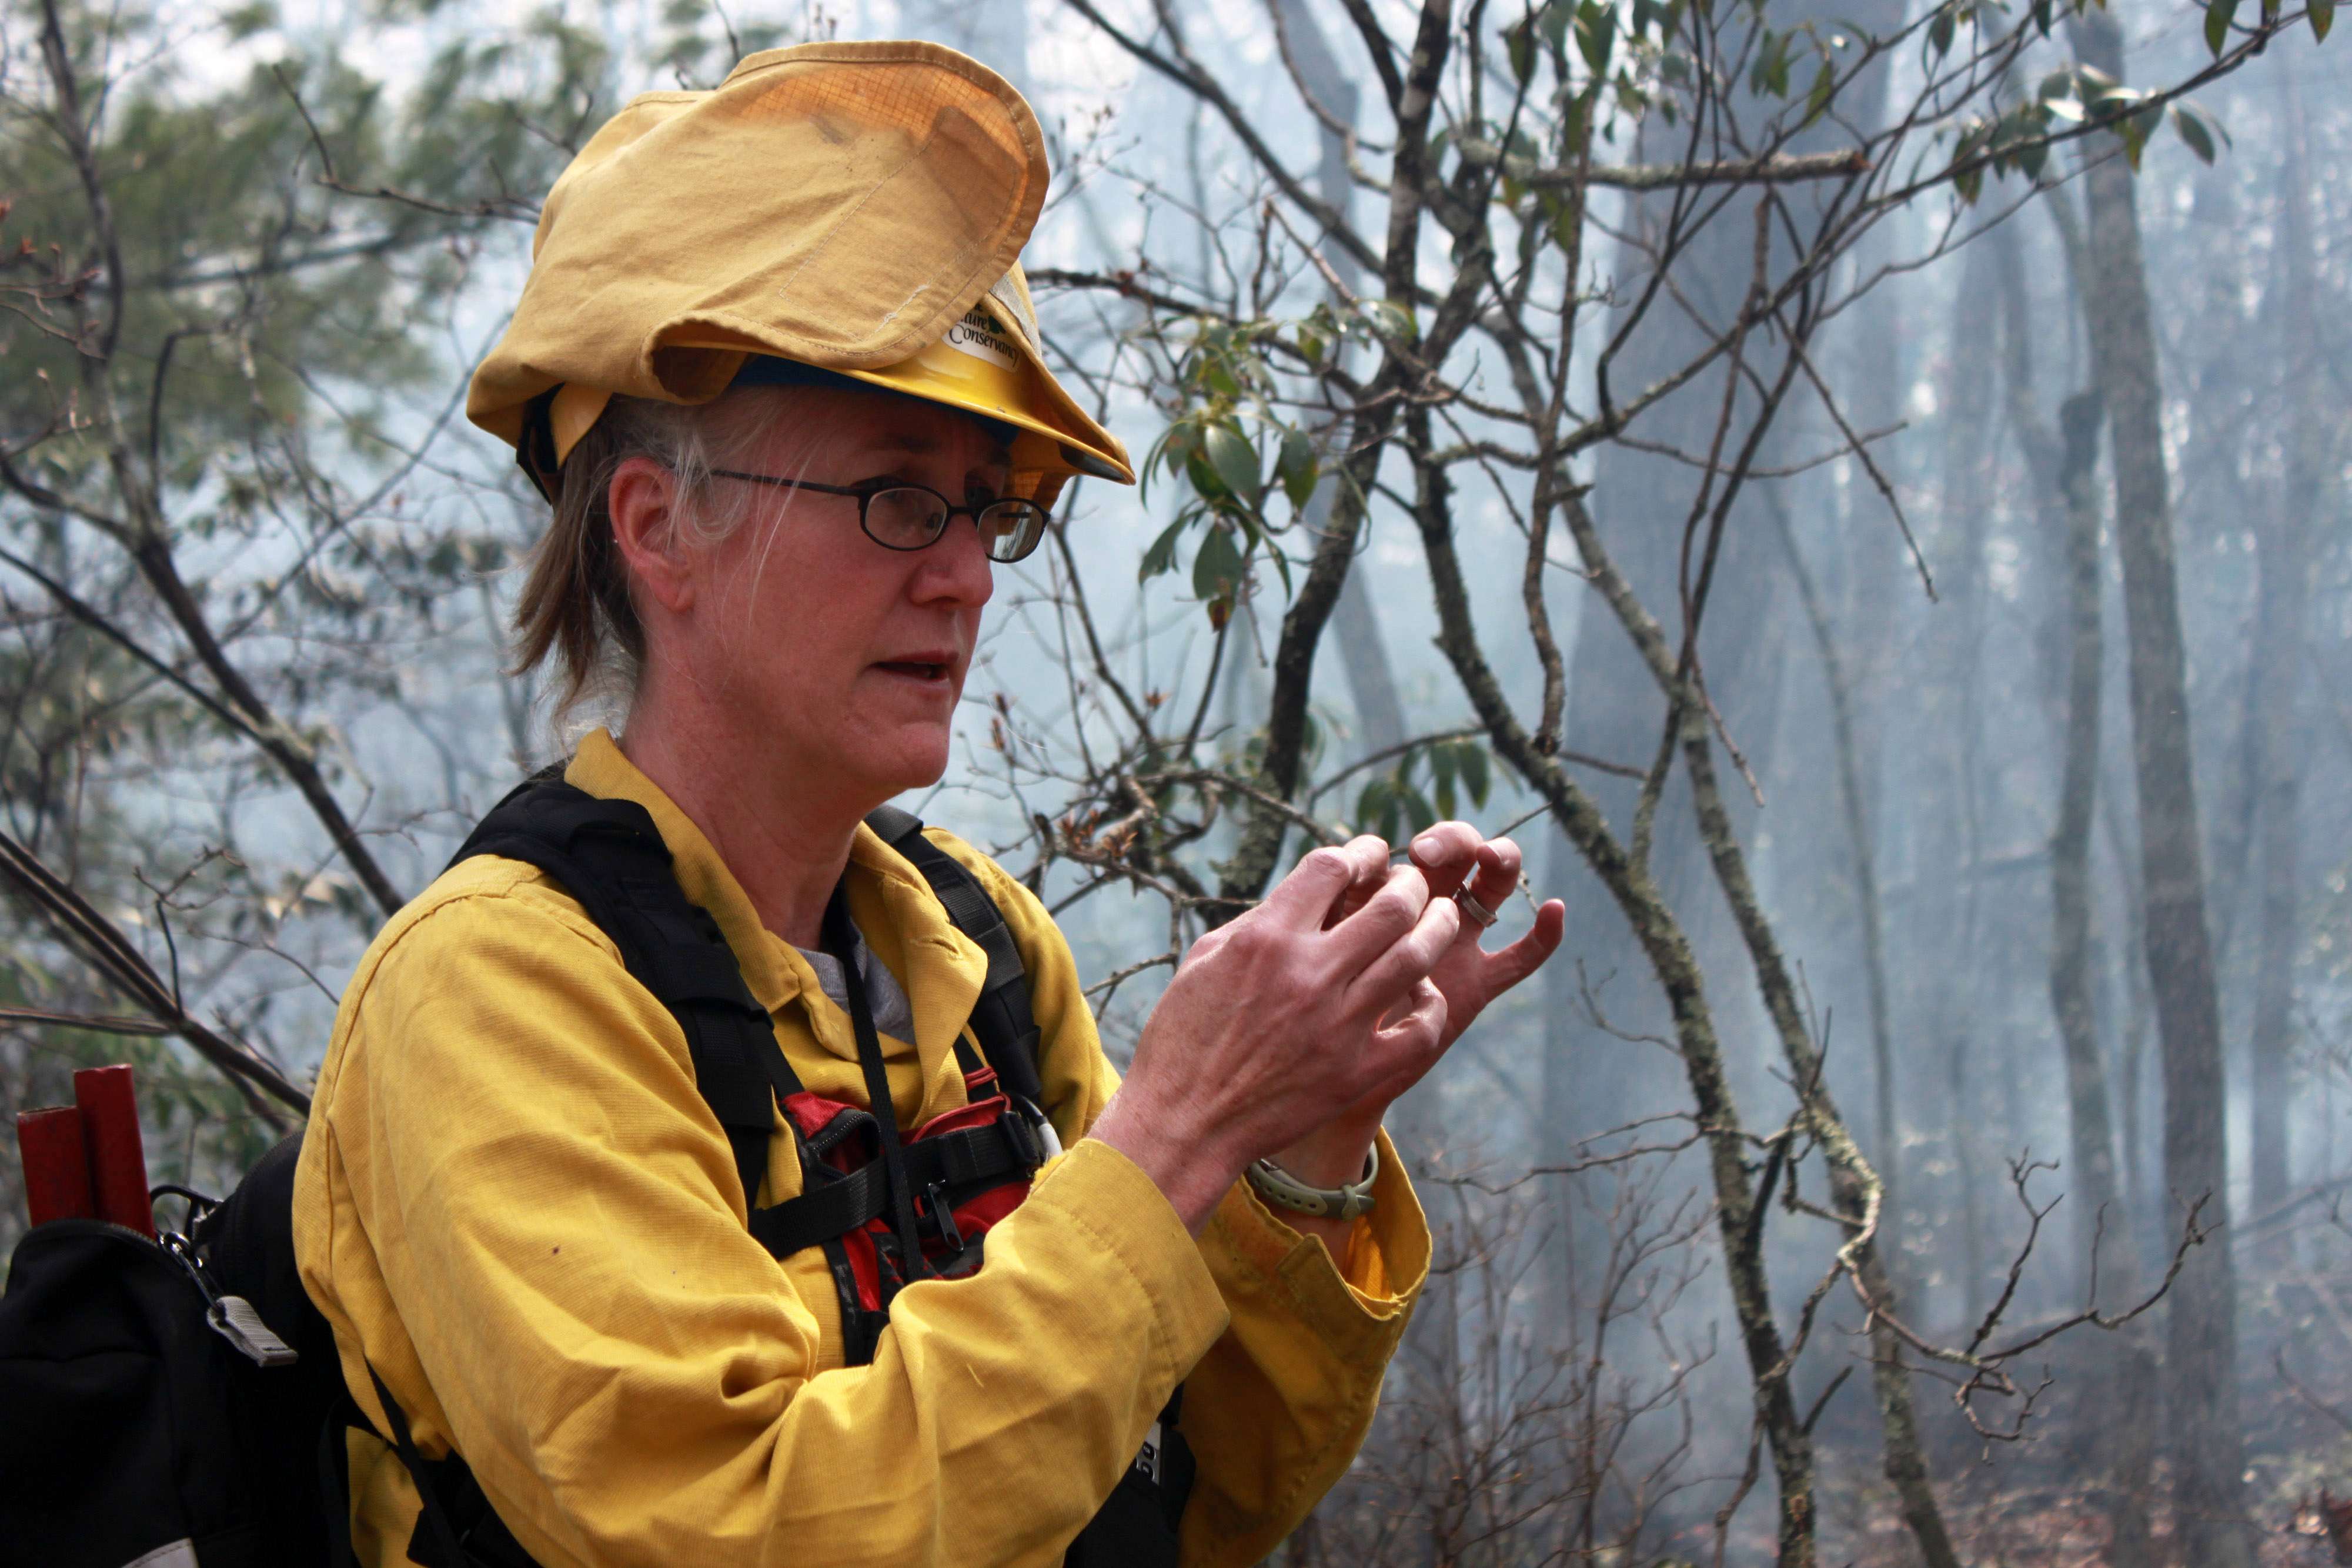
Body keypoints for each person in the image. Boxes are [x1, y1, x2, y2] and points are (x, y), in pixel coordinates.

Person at [292, 39, 1565, 1568]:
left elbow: (1206, 1495)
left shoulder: (974, 952)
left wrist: (1299, 1146)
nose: (961, 571)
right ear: (659, 529)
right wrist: (1171, 1136)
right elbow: (737, 1532)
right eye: (897, 493)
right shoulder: (499, 994)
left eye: (988, 510)